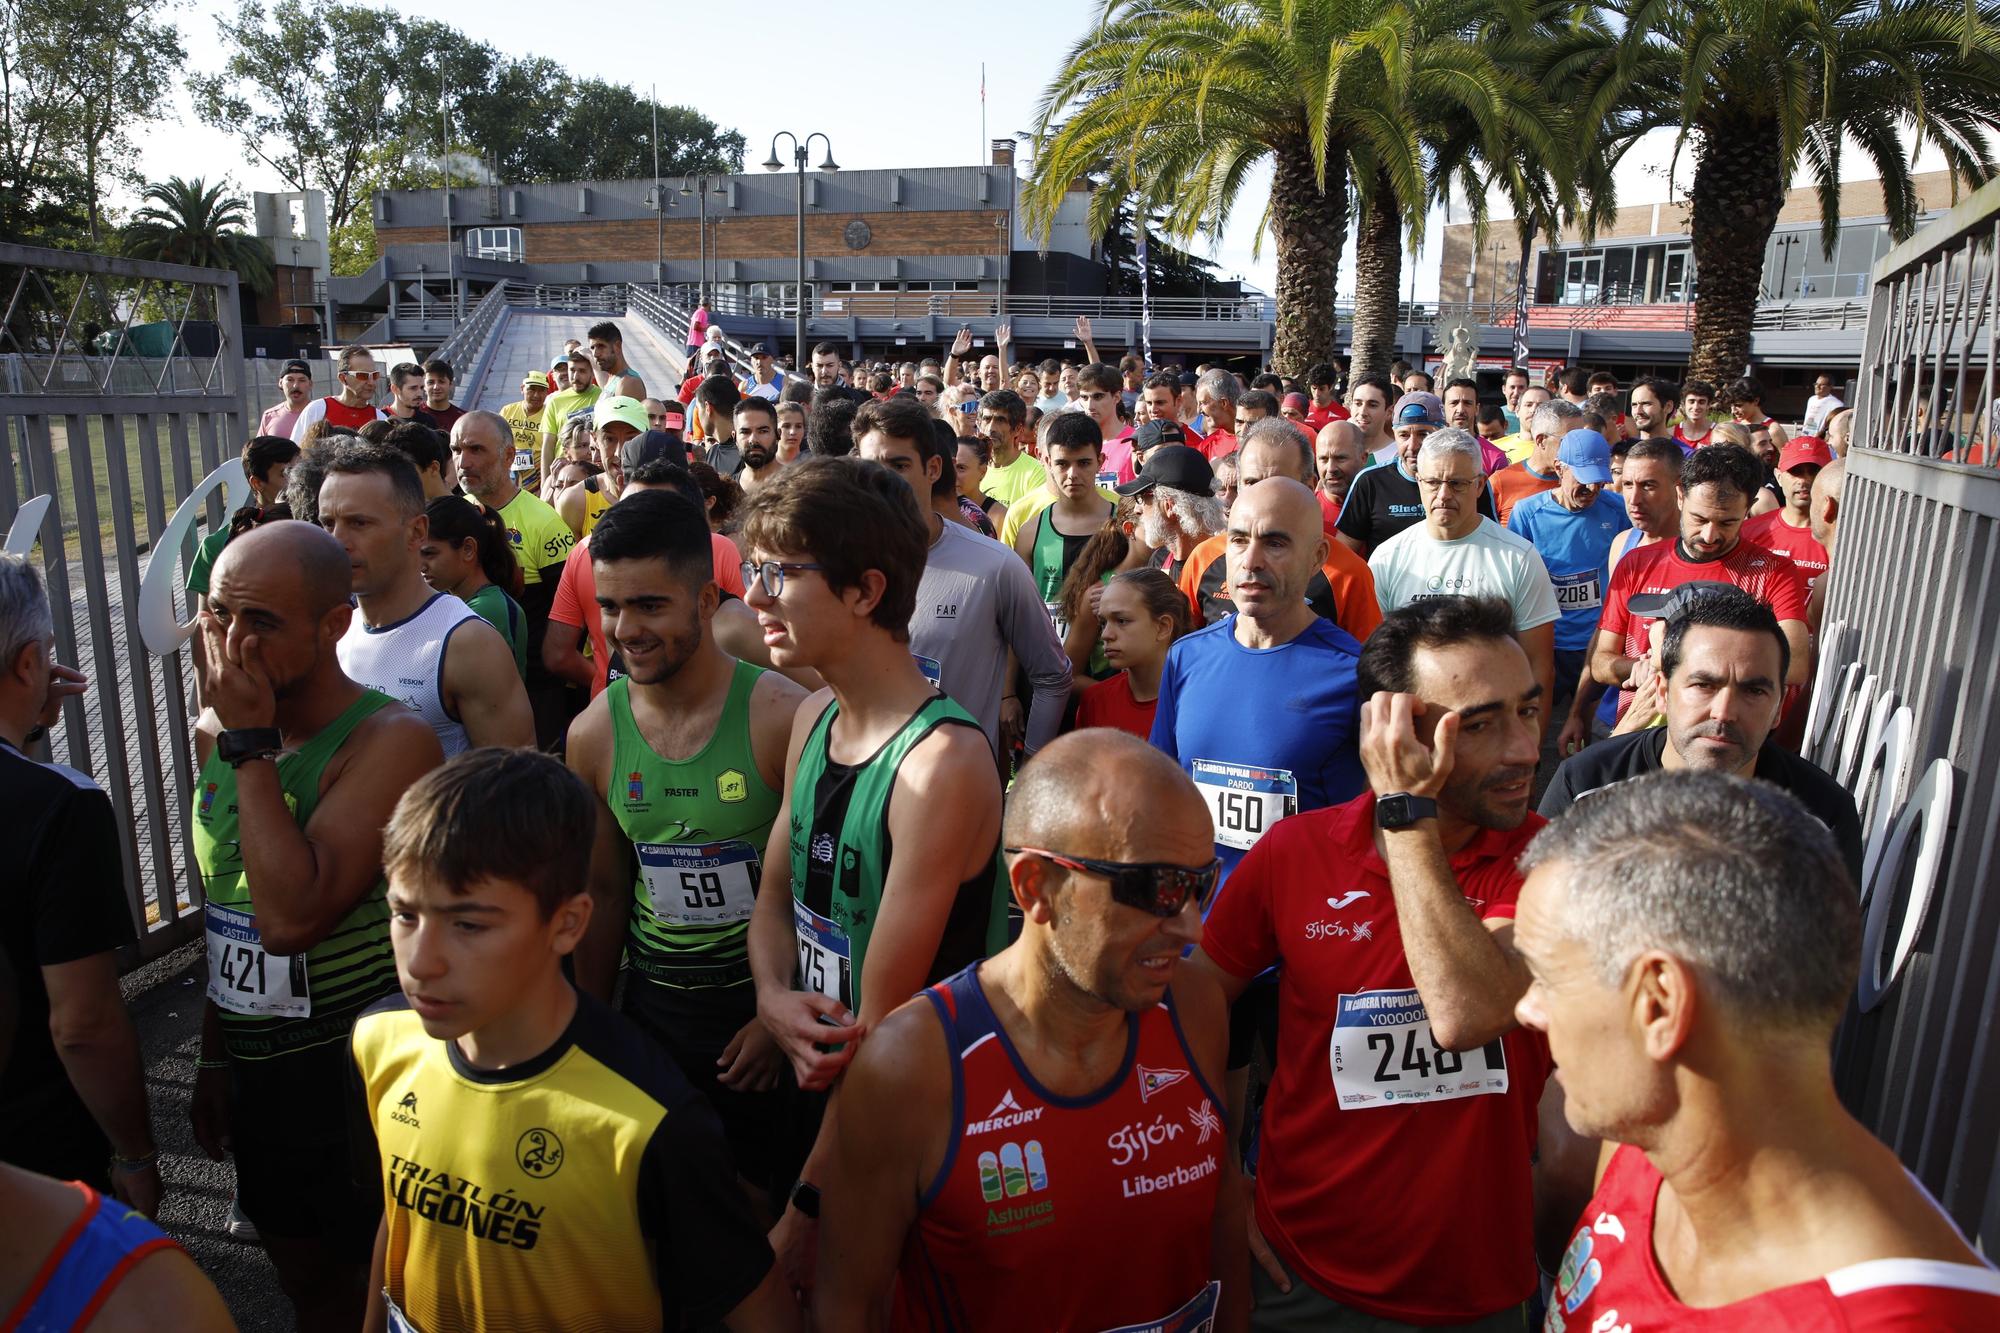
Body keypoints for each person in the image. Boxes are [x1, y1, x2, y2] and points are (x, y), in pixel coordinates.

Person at [1515, 770, 2000, 1328]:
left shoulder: (1899, 1318)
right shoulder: (1650, 1138)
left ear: (1659, 1004)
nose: (1528, 1010)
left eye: (1548, 978)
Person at [1189, 595, 1550, 1330]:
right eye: (1479, 724)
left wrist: (1405, 814)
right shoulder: (1294, 854)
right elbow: (1196, 997)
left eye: (1528, 710)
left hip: (1480, 1289)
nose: (1523, 748)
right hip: (1299, 1277)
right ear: (1394, 731)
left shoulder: (1557, 861)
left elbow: (1470, 1013)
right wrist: (1220, 1174)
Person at [815, 732, 1248, 1333]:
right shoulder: (913, 1067)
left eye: (1202, 884)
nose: (1194, 929)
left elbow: (1223, 1231)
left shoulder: (1195, 1007)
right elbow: (847, 1307)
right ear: (1035, 888)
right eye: (1159, 890)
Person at [354, 748, 798, 1333]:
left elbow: (759, 1313)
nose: (421, 962)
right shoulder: (379, 1041)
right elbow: (397, 1221)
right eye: (405, 915)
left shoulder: (651, 1122)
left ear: (568, 923)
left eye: (468, 924)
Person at [739, 458, 1010, 1293]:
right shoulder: (812, 713)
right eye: (754, 570)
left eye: (780, 574)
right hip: (815, 1078)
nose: (753, 596)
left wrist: (807, 1205)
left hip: (902, 1121)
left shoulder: (941, 764)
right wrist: (770, 995)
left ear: (864, 591)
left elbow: (882, 1019)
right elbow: (775, 899)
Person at [189, 521, 444, 1332]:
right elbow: (227, 910)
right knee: (306, 1292)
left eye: (261, 621)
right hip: (259, 1073)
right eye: (221, 614)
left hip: (346, 1079)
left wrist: (253, 749)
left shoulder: (389, 740)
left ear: (334, 624)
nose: (234, 642)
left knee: (368, 1295)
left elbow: (292, 916)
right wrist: (214, 1053)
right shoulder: (222, 735)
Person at [563, 489, 807, 1205]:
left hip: (761, 1018)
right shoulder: (593, 735)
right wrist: (590, 1022)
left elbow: (812, 896)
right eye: (609, 607)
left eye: (649, 605)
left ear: (705, 601)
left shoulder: (780, 716)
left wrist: (776, 1012)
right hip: (655, 1012)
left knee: (759, 1211)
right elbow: (604, 892)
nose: (624, 628)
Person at [0, 555, 159, 1211]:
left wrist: (26, 721)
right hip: (37, 1151)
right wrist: (135, 1152)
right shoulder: (60, 805)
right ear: (31, 662)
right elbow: (83, 1022)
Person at [1543, 582, 1860, 868]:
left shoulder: (1823, 816)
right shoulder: (1584, 785)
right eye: (1703, 685)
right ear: (1663, 691)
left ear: (1778, 708)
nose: (1724, 712)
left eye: (1753, 690)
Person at [1151, 477, 1366, 885]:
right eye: (1237, 540)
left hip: (1304, 931)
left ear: (1317, 556)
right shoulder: (1186, 657)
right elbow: (1163, 792)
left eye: (1275, 543)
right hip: (1199, 928)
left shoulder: (1353, 671)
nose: (1250, 561)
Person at [855, 395, 1072, 760]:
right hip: (865, 781)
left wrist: (1033, 767)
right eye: (871, 466)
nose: (883, 480)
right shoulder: (838, 564)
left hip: (961, 794)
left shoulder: (994, 566)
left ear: (934, 469)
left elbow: (1052, 676)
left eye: (899, 464)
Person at [320, 441, 534, 755]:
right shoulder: (334, 634)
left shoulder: (468, 644)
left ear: (417, 531)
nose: (338, 541)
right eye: (328, 523)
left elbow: (518, 785)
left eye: (359, 523)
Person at [1592, 444, 1811, 722]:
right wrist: (1637, 667)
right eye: (1699, 519)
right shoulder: (1636, 563)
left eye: (1727, 523)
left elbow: (1796, 666)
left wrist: (1668, 661)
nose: (1709, 535)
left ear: (1750, 507)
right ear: (1680, 496)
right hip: (1636, 728)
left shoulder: (1774, 572)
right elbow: (1601, 662)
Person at [1370, 428, 1560, 706]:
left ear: (1480, 485)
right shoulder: (1387, 558)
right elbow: (1379, 663)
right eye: (1433, 482)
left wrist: (1531, 745)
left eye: (1457, 484)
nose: (1444, 495)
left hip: (1494, 730)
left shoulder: (1518, 557)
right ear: (1419, 482)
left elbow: (1539, 665)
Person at [1180, 418, 1381, 641]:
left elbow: (1367, 665)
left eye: (1278, 482)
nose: (1263, 494)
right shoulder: (1203, 559)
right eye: (1251, 482)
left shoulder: (1348, 573)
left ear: (1310, 486)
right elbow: (1186, 648)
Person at [1503, 430, 1632, 770]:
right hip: (1545, 641)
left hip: (1594, 643)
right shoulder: (1527, 513)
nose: (1592, 490)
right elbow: (1516, 579)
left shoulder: (1617, 509)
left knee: (1586, 741)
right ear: (1560, 468)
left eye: (1600, 482)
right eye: (1585, 480)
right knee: (1533, 735)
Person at [451, 410, 579, 747]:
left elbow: (569, 613)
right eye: (456, 450)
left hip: (534, 690)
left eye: (476, 450)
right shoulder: (449, 517)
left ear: (509, 456)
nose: (463, 462)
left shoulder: (544, 522)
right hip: (462, 686)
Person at [1336, 391, 1496, 557]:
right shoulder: (1370, 481)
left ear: (1443, 432)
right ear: (1393, 434)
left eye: (1423, 434)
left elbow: (1491, 541)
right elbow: (1343, 552)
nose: (1413, 445)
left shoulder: (1469, 481)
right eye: (1404, 435)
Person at [1012, 413, 1113, 640]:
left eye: (1083, 463)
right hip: (1046, 665)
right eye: (1062, 463)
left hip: (1110, 669)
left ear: (1101, 460)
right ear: (1047, 462)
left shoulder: (1126, 525)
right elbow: (1018, 615)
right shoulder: (1030, 532)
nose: (1072, 474)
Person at [1072, 567, 1192, 738]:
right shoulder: (1095, 701)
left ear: (1163, 627)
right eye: (1103, 623)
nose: (1106, 634)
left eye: (1121, 621)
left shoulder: (1197, 702)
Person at [418, 495, 527, 679]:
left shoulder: (488, 608)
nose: (420, 566)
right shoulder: (455, 599)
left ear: (468, 549)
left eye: (429, 553)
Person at [186, 434, 301, 599]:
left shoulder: (323, 529)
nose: (298, 480)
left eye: (301, 470)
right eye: (286, 473)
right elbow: (206, 620)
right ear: (257, 483)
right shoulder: (215, 546)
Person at [1742, 433, 1833, 588]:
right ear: (1778, 477)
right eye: (1795, 471)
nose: (1804, 480)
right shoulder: (1748, 532)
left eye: (1814, 471)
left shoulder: (1842, 539)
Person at [1489, 397, 1580, 523]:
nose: (1578, 447)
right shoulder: (1500, 482)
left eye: (1581, 439)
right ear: (1541, 441)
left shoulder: (1585, 483)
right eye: (1569, 441)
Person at [291, 345, 385, 443]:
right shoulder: (317, 410)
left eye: (375, 375)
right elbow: (296, 451)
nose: (371, 382)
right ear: (343, 378)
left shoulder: (380, 418)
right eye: (362, 375)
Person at [971, 389, 1042, 511]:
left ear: (1017, 429)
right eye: (987, 419)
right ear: (978, 423)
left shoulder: (1035, 473)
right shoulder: (968, 467)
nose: (991, 428)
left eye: (1000, 420)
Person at [540, 349, 600, 479]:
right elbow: (548, 445)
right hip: (565, 474)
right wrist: (545, 482)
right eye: (572, 370)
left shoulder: (603, 397)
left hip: (596, 471)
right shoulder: (555, 401)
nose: (575, 376)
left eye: (582, 371)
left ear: (593, 373)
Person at [500, 370, 552, 491]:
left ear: (547, 392)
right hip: (509, 469)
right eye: (532, 389)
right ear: (522, 388)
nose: (536, 395)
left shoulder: (550, 414)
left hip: (538, 473)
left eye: (541, 390)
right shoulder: (507, 410)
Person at [1312, 418, 1368, 522]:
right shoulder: (1306, 513)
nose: (1331, 468)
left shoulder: (1383, 509)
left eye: (1340, 458)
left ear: (1363, 458)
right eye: (1323, 459)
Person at [732, 396, 785, 496]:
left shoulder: (799, 487)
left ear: (778, 434)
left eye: (763, 431)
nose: (753, 440)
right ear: (734, 437)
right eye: (745, 432)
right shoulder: (726, 492)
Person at [587, 319, 647, 402]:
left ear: (617, 346)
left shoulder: (629, 383)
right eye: (592, 348)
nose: (595, 354)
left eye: (601, 346)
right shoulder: (614, 378)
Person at [260, 357, 314, 439]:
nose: (296, 385)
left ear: (310, 384)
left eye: (302, 380)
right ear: (280, 383)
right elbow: (259, 450)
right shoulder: (269, 416)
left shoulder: (320, 413)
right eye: (290, 380)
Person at [1194, 368, 1240, 460]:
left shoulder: (1259, 440)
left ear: (1223, 403)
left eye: (1203, 403)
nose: (1198, 410)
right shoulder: (1207, 447)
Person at [418, 358, 463, 434]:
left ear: (451, 385)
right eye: (431, 382)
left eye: (441, 382)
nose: (436, 387)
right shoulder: (414, 415)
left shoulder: (462, 419)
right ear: (423, 386)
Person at [1674, 377, 1718, 449]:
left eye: (1701, 402)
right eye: (1691, 401)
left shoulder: (1718, 432)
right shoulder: (1671, 432)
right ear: (1683, 404)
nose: (1696, 407)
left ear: (1709, 405)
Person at [1499, 364, 1529, 432]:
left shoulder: (1532, 416)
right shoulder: (1495, 415)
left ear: (1527, 390)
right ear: (1504, 389)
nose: (1516, 392)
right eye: (1512, 387)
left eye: (1521, 387)